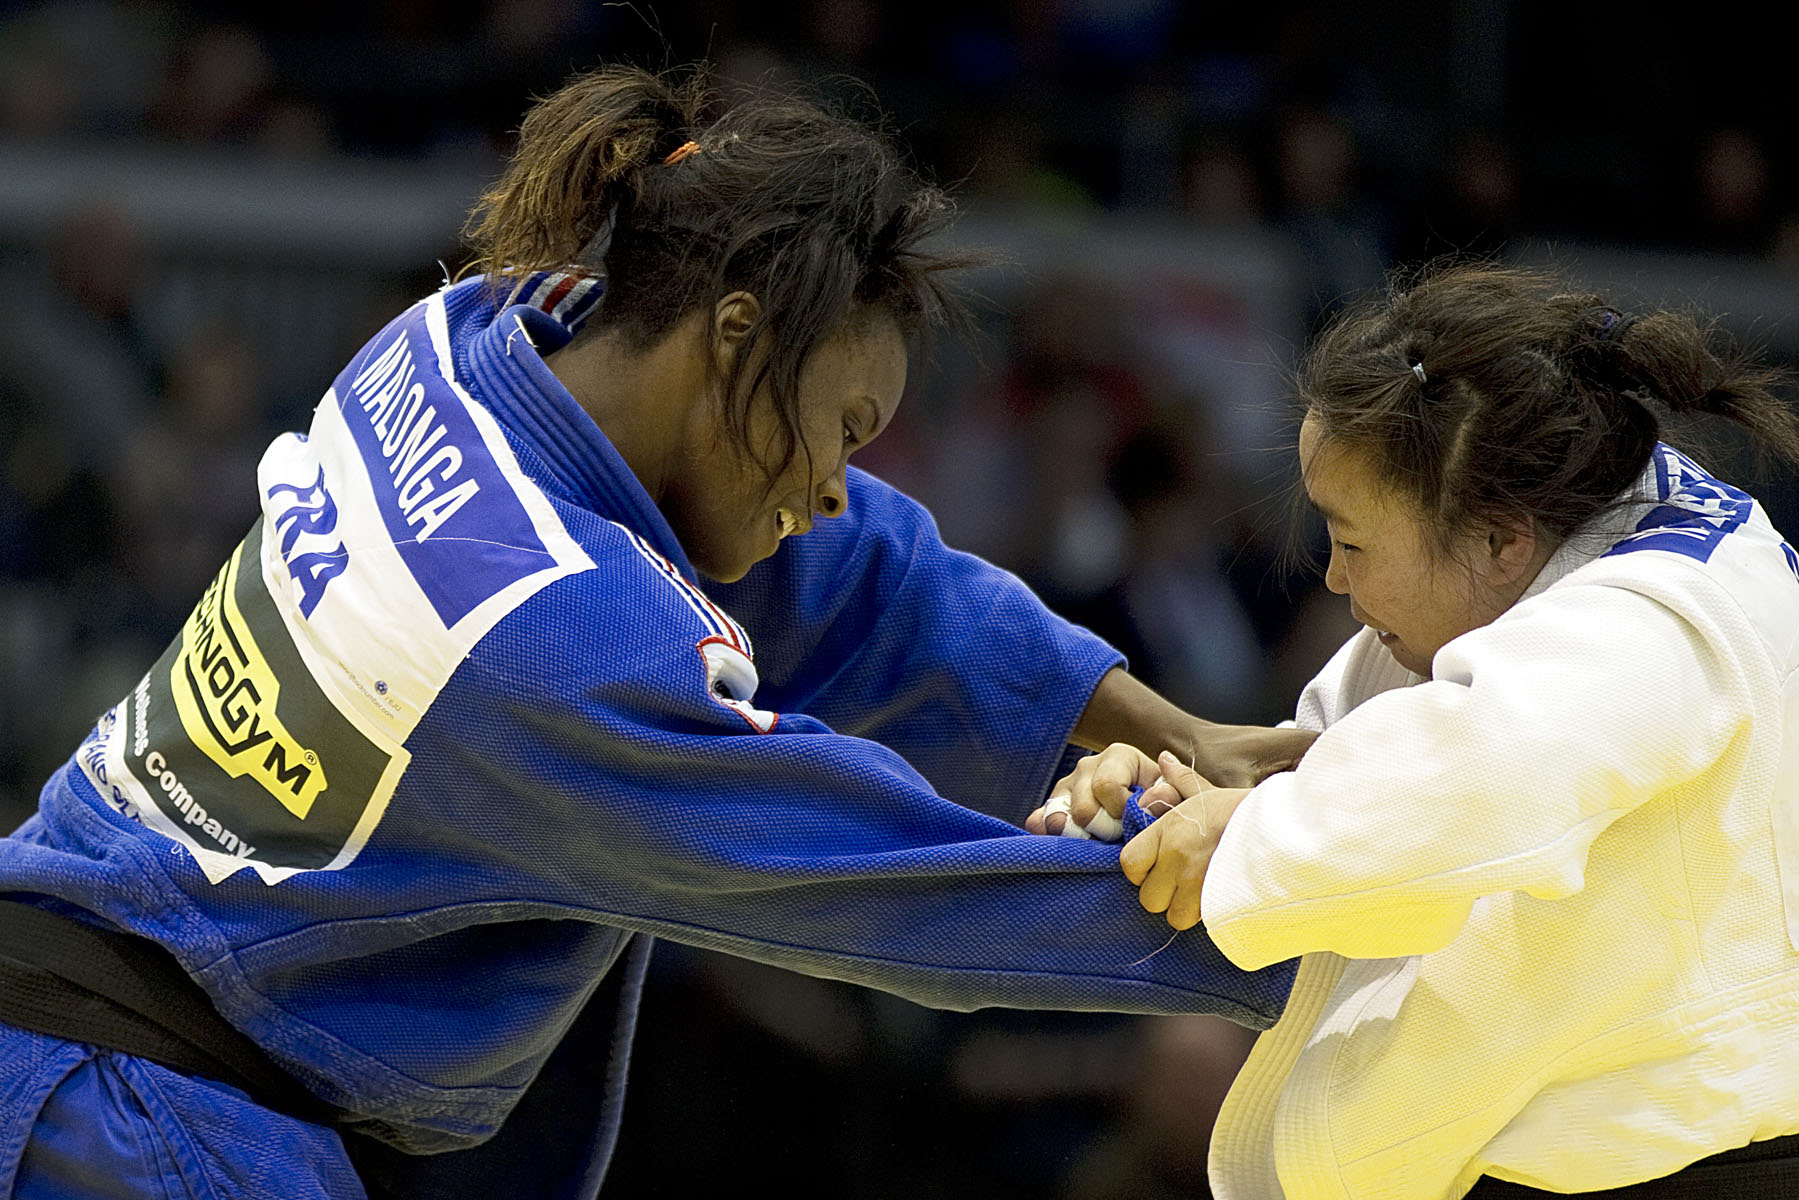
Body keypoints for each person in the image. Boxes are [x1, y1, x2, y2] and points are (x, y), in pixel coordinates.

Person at [0, 65, 1312, 1200]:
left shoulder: (463, 341)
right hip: (135, 1111)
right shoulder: (549, 646)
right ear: (734, 334)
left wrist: (1174, 728)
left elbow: (854, 564)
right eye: (843, 430)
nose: (826, 490)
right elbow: (901, 894)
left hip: (97, 1042)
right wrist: (1312, 913)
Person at [1057, 263, 1799, 1197]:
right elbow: (1381, 759)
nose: (1331, 578)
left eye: (1352, 542)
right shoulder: (1570, 495)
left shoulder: (1653, 623)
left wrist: (1236, 835)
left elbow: (1471, 785)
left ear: (1500, 538)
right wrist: (1181, 798)